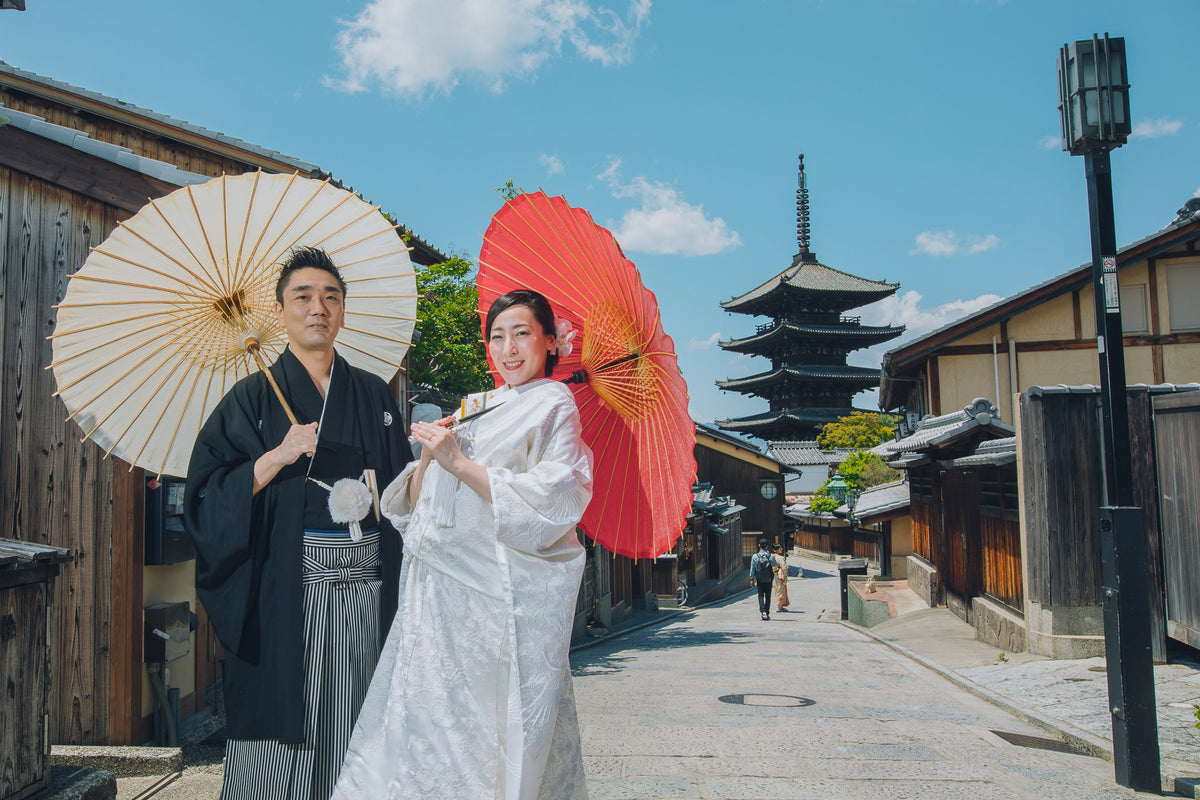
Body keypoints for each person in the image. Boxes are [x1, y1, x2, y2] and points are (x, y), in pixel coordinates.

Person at [332, 289, 593, 800]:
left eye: (522, 333)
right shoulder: (478, 406)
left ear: (550, 341)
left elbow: (556, 497)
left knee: (478, 727)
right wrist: (430, 458)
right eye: (497, 336)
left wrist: (459, 464)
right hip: (434, 591)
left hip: (489, 596)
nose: (508, 348)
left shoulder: (555, 402)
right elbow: (407, 506)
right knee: (420, 714)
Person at [184, 246, 413, 800]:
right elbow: (206, 498)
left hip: (362, 585)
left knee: (357, 716)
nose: (319, 307)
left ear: (343, 310)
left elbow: (403, 495)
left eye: (331, 296)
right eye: (303, 297)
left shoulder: (370, 393)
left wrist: (439, 461)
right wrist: (277, 456)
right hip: (283, 588)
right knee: (281, 724)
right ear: (281, 311)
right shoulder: (250, 399)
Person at [749, 538, 775, 620]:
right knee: (768, 596)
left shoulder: (755, 556)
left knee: (760, 595)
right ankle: (767, 612)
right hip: (769, 579)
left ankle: (763, 612)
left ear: (759, 545)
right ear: (767, 546)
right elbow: (775, 566)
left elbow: (752, 569)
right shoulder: (771, 556)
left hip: (759, 579)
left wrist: (752, 579)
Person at [772, 543, 790, 612]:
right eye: (780, 548)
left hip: (775, 576)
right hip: (780, 576)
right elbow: (784, 567)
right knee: (781, 592)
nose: (781, 549)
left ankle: (780, 606)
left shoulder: (772, 557)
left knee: (777, 591)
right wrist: (785, 575)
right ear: (776, 550)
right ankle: (779, 606)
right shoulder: (780, 558)